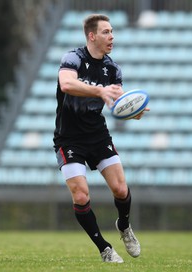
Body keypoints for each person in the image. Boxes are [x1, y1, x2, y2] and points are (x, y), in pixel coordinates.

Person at [53, 14, 148, 263]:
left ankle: (124, 226)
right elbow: (66, 84)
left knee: (120, 188)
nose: (112, 36)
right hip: (68, 139)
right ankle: (104, 249)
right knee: (81, 195)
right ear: (92, 36)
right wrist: (98, 90)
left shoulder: (113, 69)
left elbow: (117, 105)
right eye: (106, 32)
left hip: (97, 135)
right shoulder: (73, 58)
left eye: (112, 31)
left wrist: (133, 112)